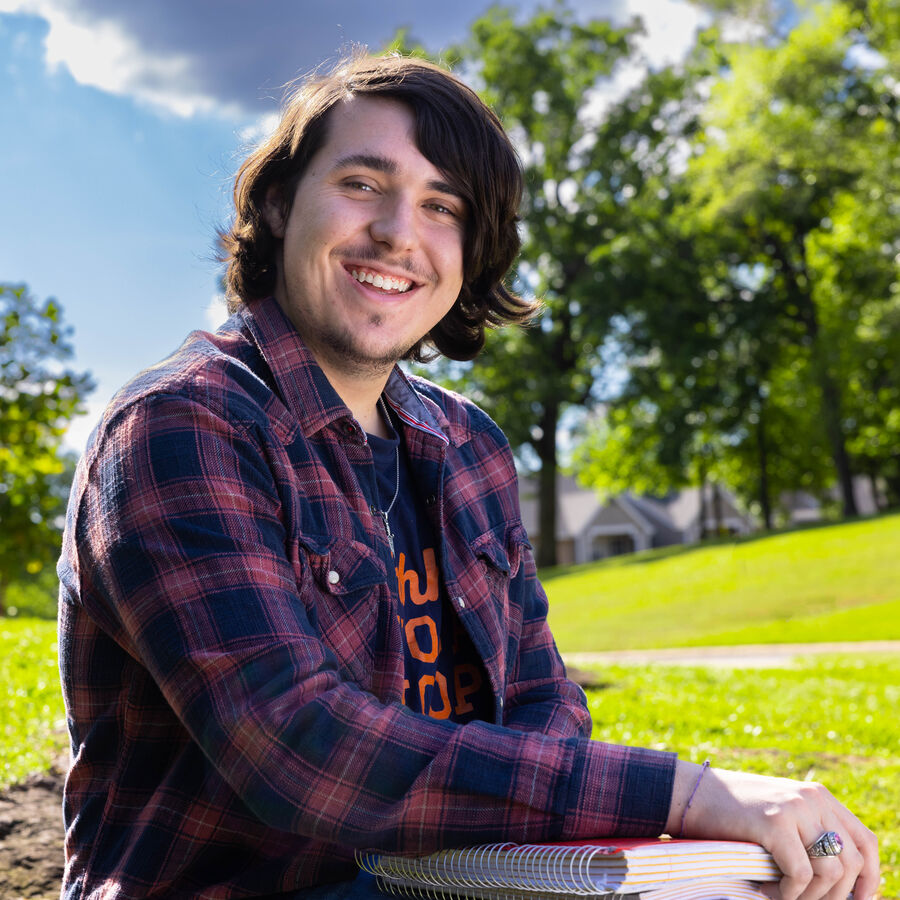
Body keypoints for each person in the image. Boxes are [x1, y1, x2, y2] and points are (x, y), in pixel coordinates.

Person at [57, 53, 878, 900]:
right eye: (364, 184)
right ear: (277, 203)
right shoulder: (182, 425)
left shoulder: (465, 442)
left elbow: (543, 700)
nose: (399, 233)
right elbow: (296, 745)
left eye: (441, 206)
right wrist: (691, 791)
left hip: (466, 881)